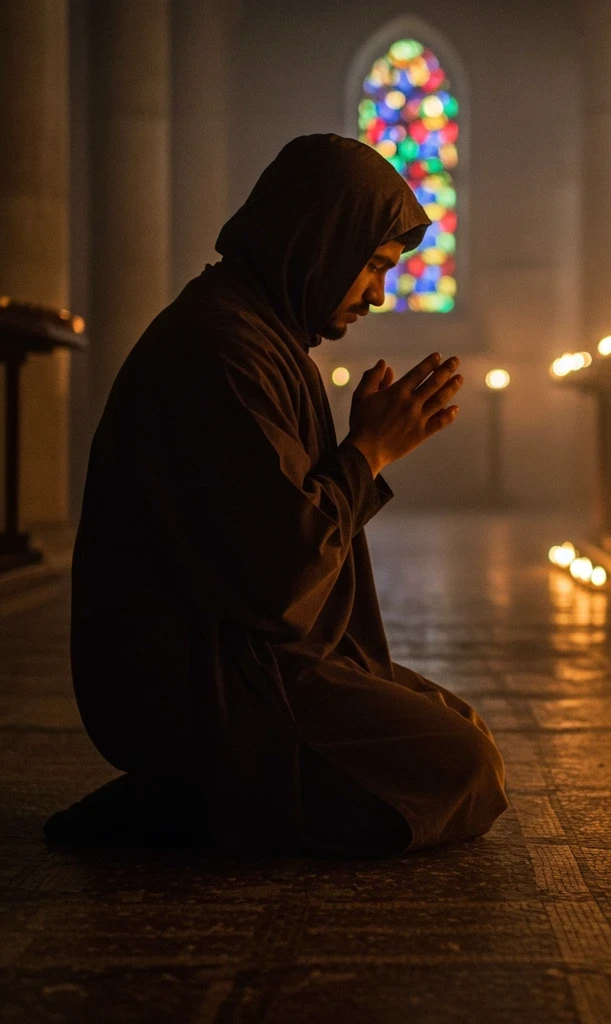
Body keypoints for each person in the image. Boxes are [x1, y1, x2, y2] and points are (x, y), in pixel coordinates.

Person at [46, 135, 508, 857]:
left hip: (238, 655)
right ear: (322, 239)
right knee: (460, 768)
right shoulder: (219, 350)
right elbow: (280, 581)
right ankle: (194, 805)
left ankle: (209, 791)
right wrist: (371, 449)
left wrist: (363, 450)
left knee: (460, 728)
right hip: (190, 678)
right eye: (375, 267)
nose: (379, 295)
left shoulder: (258, 336)